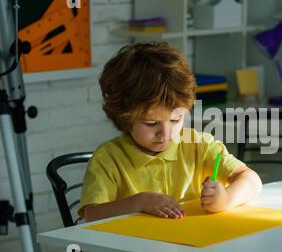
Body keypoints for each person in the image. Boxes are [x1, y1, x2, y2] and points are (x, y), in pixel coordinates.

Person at [78, 42, 262, 222]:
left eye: (176, 120)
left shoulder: (199, 145)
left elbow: (252, 180)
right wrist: (139, 202)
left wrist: (226, 199)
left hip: (193, 248)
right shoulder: (108, 159)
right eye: (151, 123)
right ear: (124, 118)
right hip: (133, 250)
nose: (165, 133)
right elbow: (92, 215)